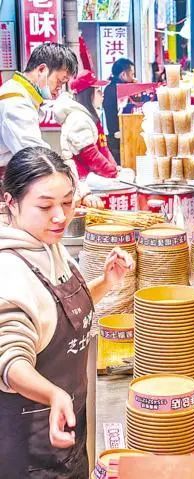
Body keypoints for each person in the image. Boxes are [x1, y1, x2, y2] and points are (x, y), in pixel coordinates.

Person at [0, 147, 133, 477]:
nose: (60, 216)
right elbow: (10, 360)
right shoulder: (8, 270)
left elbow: (56, 312)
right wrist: (52, 394)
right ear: (11, 202)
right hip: (27, 449)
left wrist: (106, 282)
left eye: (68, 202)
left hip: (66, 427)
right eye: (45, 206)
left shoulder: (48, 246)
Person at [0, 43, 78, 169]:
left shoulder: (20, 93)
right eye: (59, 81)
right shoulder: (16, 100)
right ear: (42, 70)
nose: (59, 88)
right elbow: (32, 152)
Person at [54, 70, 118, 180]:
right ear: (88, 94)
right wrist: (113, 172)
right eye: (98, 90)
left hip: (95, 179)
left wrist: (115, 168)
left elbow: (103, 149)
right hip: (84, 181)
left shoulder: (90, 117)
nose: (102, 94)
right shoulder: (78, 118)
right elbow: (90, 155)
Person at [103, 58, 135, 162]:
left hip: (114, 137)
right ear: (123, 75)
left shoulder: (109, 88)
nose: (133, 77)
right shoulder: (120, 90)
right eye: (132, 74)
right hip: (120, 139)